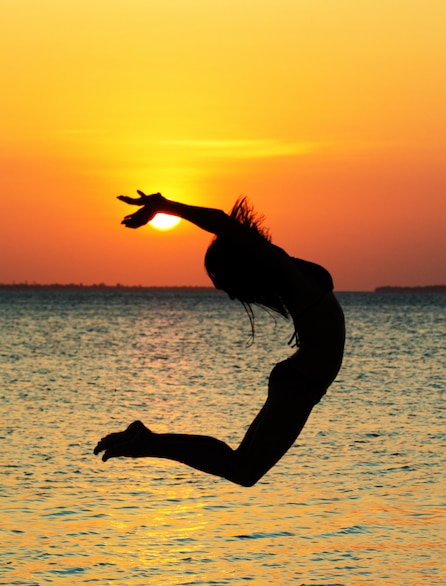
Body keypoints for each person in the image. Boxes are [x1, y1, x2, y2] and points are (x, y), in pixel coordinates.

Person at [94, 191, 345, 487]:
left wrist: (166, 207)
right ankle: (149, 443)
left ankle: (148, 440)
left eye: (227, 284)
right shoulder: (284, 269)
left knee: (241, 465)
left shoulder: (281, 266)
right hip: (301, 382)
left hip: (301, 380)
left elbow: (220, 222)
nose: (231, 294)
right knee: (244, 470)